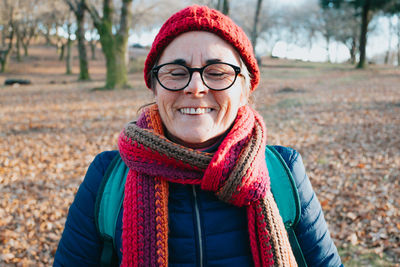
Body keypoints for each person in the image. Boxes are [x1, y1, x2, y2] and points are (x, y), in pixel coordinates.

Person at [54, 5, 342, 267]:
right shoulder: (107, 176)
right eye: (176, 72)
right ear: (155, 87)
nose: (195, 87)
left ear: (244, 90)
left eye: (217, 72)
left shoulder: (284, 171)